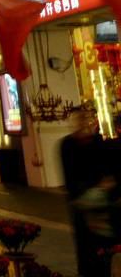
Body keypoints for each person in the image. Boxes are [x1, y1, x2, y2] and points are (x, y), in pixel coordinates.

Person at [61, 109, 112, 277]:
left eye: (83, 120)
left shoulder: (97, 141)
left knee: (103, 246)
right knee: (84, 247)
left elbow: (106, 168)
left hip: (101, 203)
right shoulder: (67, 145)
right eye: (76, 121)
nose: (80, 124)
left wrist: (104, 186)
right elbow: (70, 177)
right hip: (81, 205)